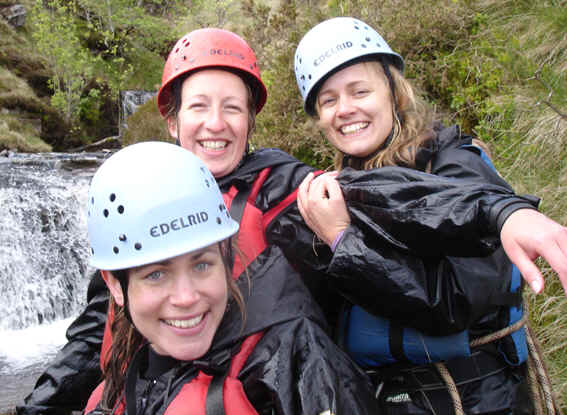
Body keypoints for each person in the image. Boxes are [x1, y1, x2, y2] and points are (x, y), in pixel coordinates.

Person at [17, 27, 567, 415]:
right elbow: (96, 331)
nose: (216, 124)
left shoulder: (283, 186)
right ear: (171, 118)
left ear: (252, 119)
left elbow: (385, 197)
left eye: (232, 107)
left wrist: (499, 209)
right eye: (199, 107)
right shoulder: (136, 198)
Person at [292, 16, 563, 414]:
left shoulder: (454, 165)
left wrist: (342, 241)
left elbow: (453, 304)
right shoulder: (342, 188)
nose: (345, 109)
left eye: (360, 91)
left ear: (393, 93)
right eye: (328, 100)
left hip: (473, 397)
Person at [81, 140, 378, 414]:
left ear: (225, 259)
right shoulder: (120, 382)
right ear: (115, 286)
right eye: (156, 274)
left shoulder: (293, 359)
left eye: (201, 266)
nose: (186, 298)